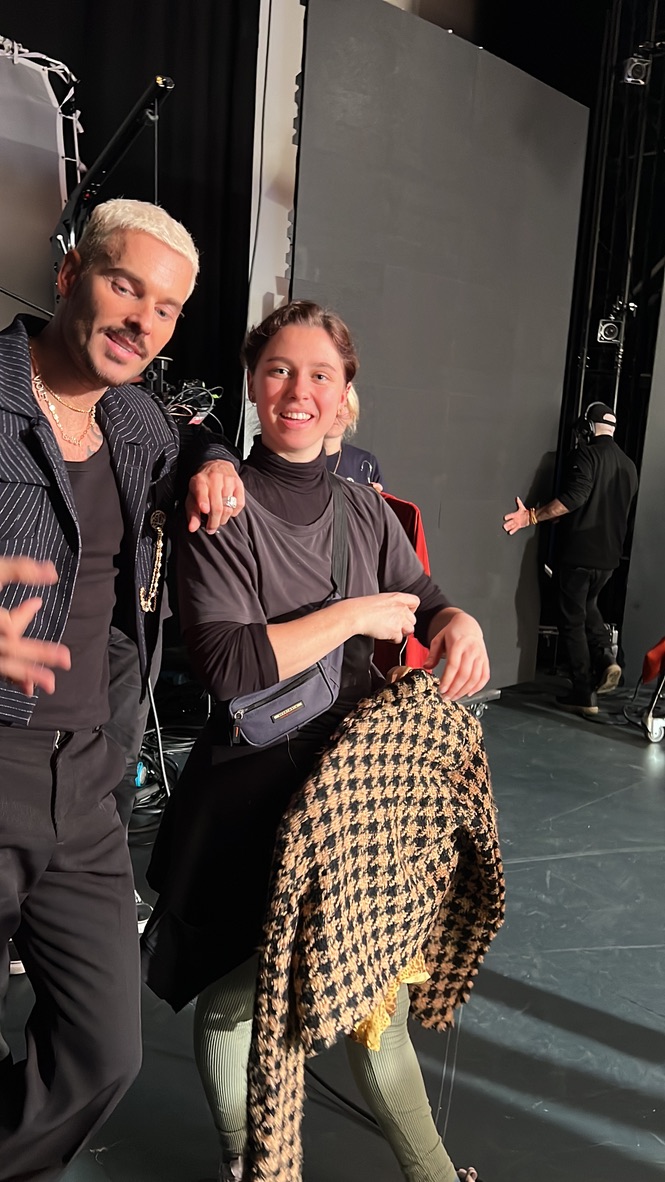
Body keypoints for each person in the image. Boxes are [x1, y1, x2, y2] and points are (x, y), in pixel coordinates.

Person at [142, 300, 489, 1182]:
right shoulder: (220, 504)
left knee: (375, 1001)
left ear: (344, 397)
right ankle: (247, 1160)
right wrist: (354, 616)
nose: (298, 390)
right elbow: (228, 666)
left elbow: (423, 594)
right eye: (279, 370)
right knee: (236, 1001)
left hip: (349, 800)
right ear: (254, 386)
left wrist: (457, 620)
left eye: (319, 375)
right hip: (252, 796)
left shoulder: (362, 509)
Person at [0, 197, 244, 1181]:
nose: (143, 321)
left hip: (89, 776)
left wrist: (213, 458)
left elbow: (190, 429)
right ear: (70, 276)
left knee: (103, 1052)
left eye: (167, 308)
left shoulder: (137, 419)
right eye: (123, 286)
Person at [502, 401, 638, 717]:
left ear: (588, 428)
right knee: (588, 605)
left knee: (572, 621)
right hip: (608, 559)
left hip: (579, 555)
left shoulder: (586, 455)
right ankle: (606, 658)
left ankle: (583, 692)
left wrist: (531, 516)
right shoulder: (629, 466)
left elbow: (574, 498)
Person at [324, 382, 384, 488]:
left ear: (352, 414)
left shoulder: (366, 463)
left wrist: (372, 497)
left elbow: (383, 498)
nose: (337, 412)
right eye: (330, 404)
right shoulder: (295, 458)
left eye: (344, 405)